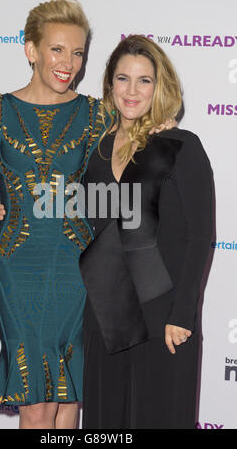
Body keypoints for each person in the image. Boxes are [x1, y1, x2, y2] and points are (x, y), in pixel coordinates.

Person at [0, 0, 107, 430]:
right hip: (17, 271)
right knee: (38, 405)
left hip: (80, 271)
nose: (69, 63)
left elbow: (115, 193)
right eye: (58, 49)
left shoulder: (99, 115)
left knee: (70, 403)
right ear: (32, 50)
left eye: (78, 52)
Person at [79, 35, 214, 428]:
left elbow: (199, 235)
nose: (132, 91)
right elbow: (82, 217)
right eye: (123, 79)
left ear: (160, 87)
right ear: (110, 85)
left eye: (144, 80)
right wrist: (2, 206)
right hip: (106, 317)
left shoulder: (180, 146)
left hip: (165, 319)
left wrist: (183, 315)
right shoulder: (99, 150)